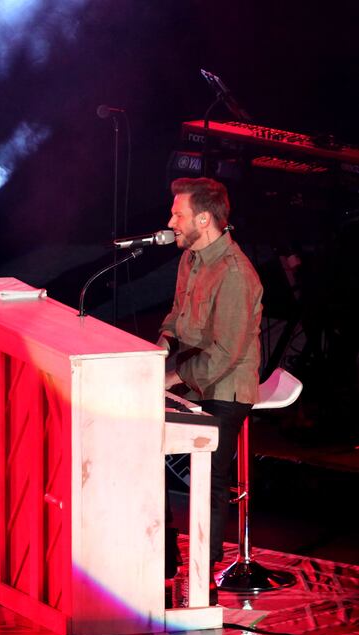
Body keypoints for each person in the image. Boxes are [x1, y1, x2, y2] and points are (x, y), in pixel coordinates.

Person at [158, 177, 263, 601]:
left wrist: (172, 376)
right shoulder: (192, 258)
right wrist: (161, 348)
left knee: (210, 471)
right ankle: (163, 562)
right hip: (190, 375)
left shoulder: (236, 274)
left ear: (204, 219)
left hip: (225, 386)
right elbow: (177, 315)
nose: (171, 222)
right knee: (144, 445)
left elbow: (223, 355)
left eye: (178, 214)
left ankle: (205, 570)